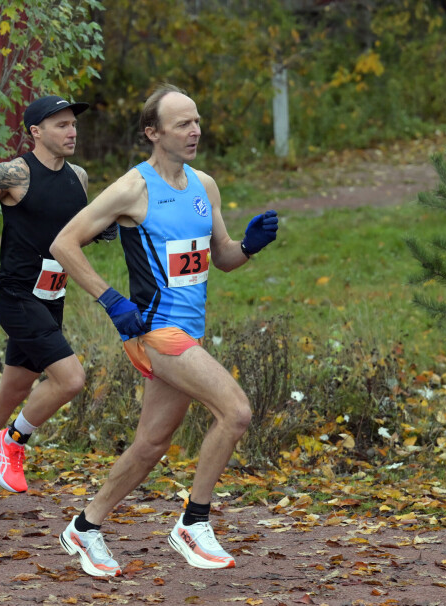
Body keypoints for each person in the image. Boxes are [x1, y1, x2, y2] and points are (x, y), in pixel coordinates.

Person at [49, 83, 279, 575]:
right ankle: (193, 522)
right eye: (182, 124)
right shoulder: (134, 187)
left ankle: (84, 528)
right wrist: (111, 300)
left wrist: (251, 245)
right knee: (235, 412)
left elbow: (223, 258)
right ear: (153, 132)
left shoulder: (205, 185)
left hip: (188, 334)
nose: (194, 130)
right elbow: (64, 243)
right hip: (154, 332)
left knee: (150, 444)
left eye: (196, 121)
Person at [0, 96, 113, 501]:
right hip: (16, 296)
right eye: (61, 125)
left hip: (53, 296)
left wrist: (97, 232)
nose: (72, 132)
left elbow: (65, 233)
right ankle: (12, 441)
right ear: (36, 132)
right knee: (70, 379)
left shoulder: (79, 177)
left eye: (73, 124)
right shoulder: (12, 174)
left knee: (13, 389)